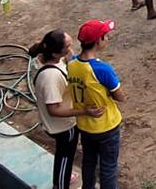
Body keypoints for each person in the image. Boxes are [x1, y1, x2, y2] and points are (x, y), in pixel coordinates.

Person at [29, 30, 104, 189]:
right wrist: (84, 111)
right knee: (65, 156)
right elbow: (54, 109)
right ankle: (61, 183)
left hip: (51, 122)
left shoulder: (39, 60)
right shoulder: (51, 77)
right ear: (56, 53)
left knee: (63, 155)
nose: (72, 49)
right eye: (68, 46)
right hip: (63, 126)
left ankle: (64, 175)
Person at [67, 19, 124, 189]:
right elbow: (120, 96)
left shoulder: (72, 64)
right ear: (98, 41)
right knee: (108, 167)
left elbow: (70, 56)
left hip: (85, 125)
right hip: (107, 125)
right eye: (106, 36)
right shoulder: (102, 69)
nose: (108, 39)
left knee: (89, 162)